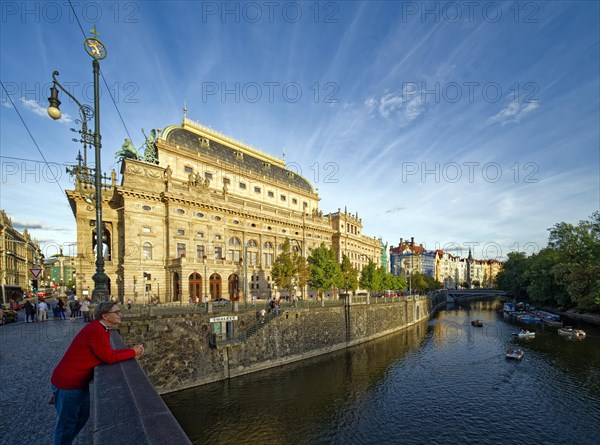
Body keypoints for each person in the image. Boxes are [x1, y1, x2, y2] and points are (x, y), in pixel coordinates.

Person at [51, 301, 144, 445]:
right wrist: (133, 352)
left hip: (78, 382)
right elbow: (109, 357)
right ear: (105, 316)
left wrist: (131, 350)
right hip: (68, 383)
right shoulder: (96, 330)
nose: (121, 314)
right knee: (66, 425)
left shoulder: (102, 329)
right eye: (117, 312)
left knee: (82, 416)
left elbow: (107, 352)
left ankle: (65, 441)